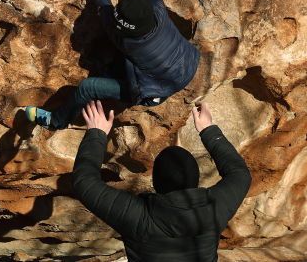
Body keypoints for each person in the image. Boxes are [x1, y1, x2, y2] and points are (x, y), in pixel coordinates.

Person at [25, 0, 201, 129]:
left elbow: (104, 10)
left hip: (154, 90)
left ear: (126, 32)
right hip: (189, 64)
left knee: (88, 87)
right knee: (121, 60)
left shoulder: (129, 43)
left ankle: (57, 121)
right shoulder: (157, 9)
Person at [73, 100, 251, 261]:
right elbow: (240, 174)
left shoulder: (140, 217)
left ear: (155, 183)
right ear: (196, 180)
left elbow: (85, 184)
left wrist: (96, 134)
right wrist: (209, 130)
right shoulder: (215, 208)